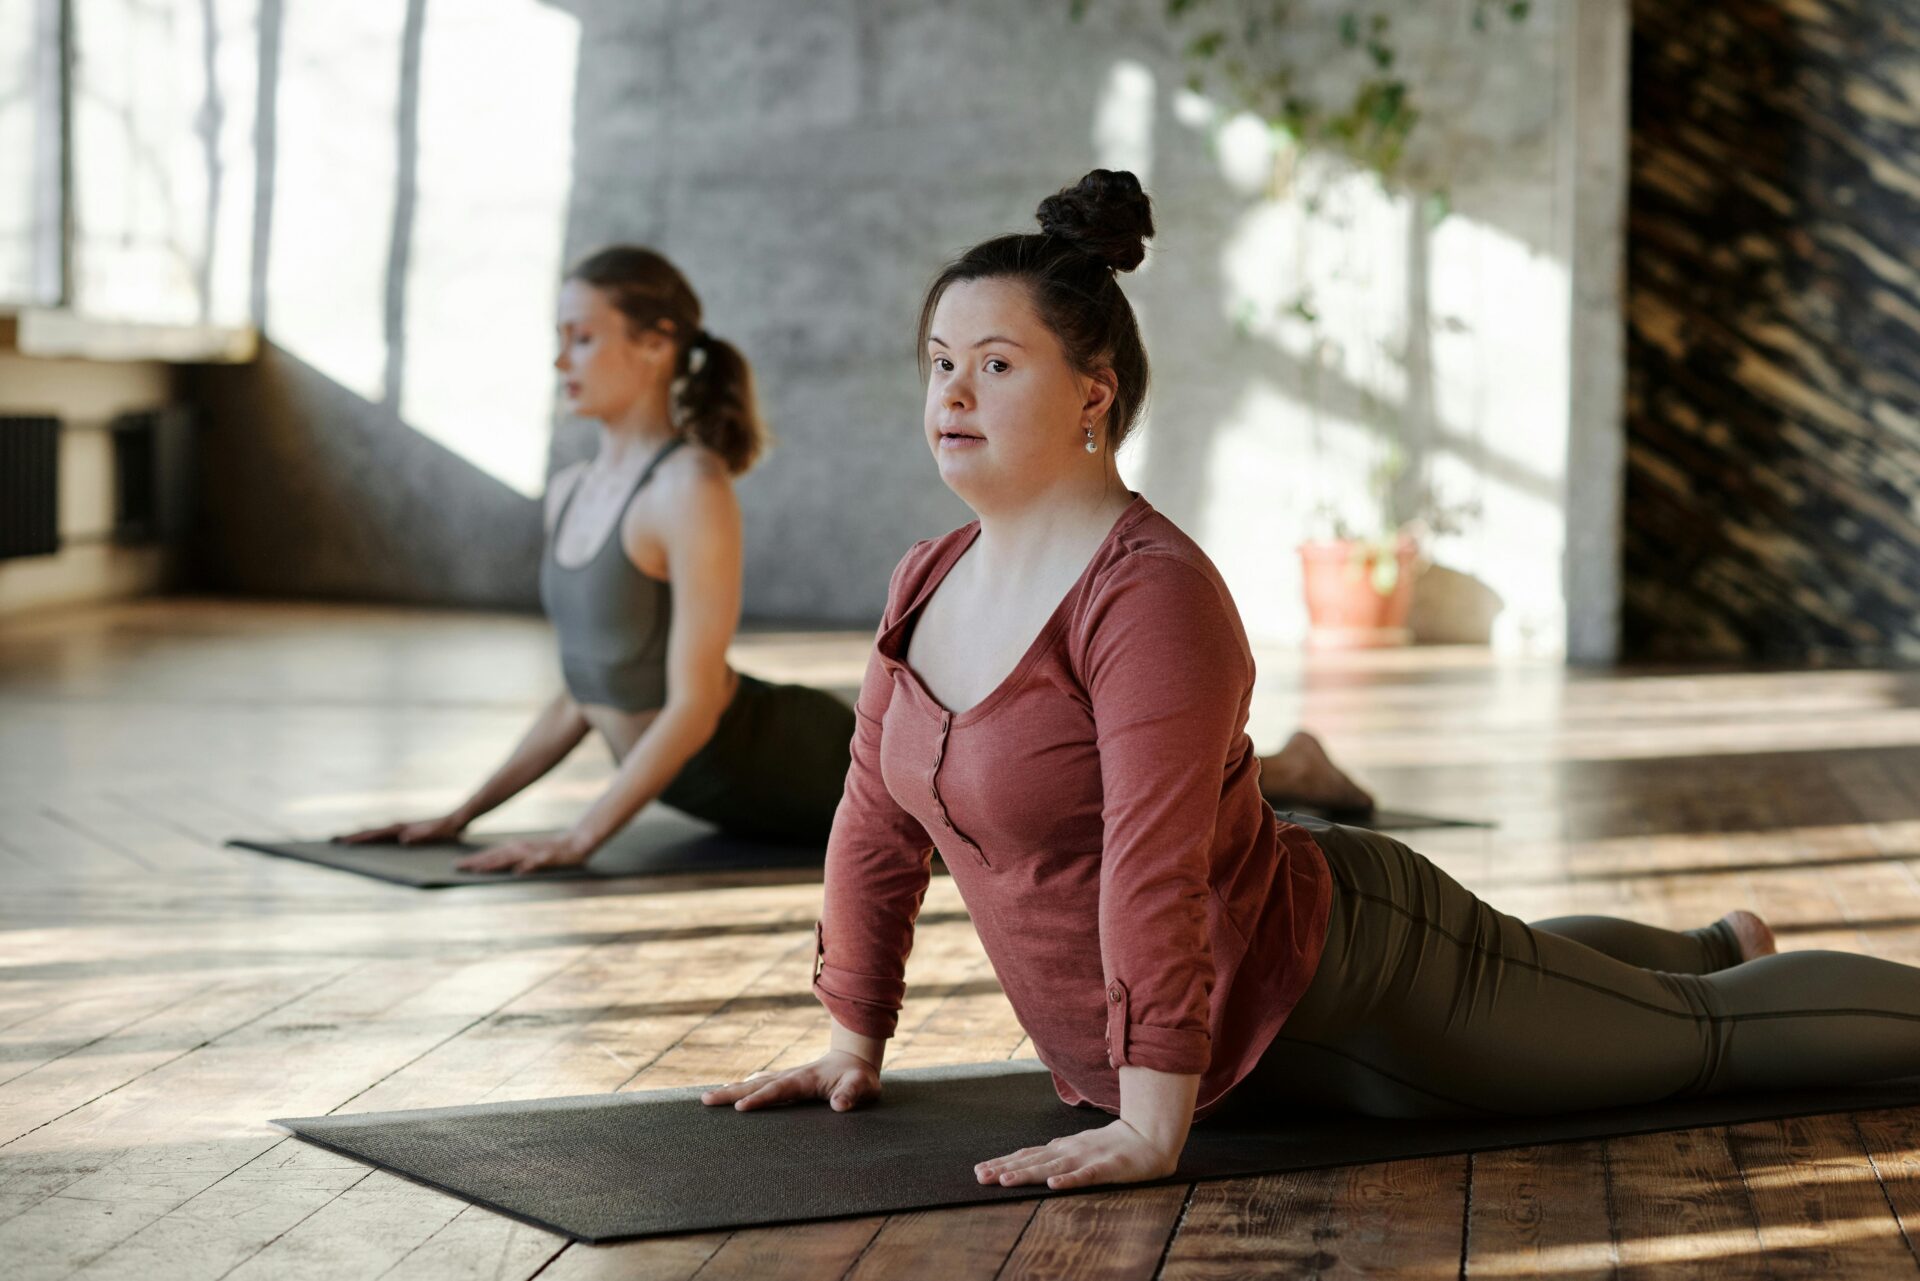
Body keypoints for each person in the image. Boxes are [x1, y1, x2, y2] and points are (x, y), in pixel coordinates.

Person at [699, 169, 1920, 1192]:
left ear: (1093, 393)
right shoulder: (927, 576)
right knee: (1579, 984)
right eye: (939, 361)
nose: (952, 393)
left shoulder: (1148, 595)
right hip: (1215, 1034)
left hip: (1348, 992)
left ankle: (1718, 976)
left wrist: (1151, 1120)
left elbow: (1154, 862)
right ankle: (1712, 941)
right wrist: (852, 1038)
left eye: (998, 365)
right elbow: (872, 818)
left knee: (1705, 1046)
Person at [339, 245, 1370, 873]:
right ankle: (1286, 763)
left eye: (580, 337)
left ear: (655, 345)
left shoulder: (687, 489)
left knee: (1055, 790)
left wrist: (581, 837)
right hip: (709, 784)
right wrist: (462, 813)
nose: (559, 359)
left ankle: (1288, 770)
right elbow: (587, 688)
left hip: (780, 758)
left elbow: (690, 707)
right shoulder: (571, 489)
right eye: (557, 338)